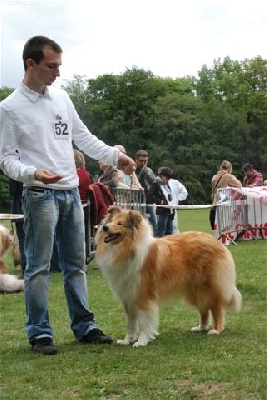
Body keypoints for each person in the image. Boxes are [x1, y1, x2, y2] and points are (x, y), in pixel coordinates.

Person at [0, 35, 135, 356]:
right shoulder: (9, 108)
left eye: (59, 65)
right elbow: (6, 159)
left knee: (76, 265)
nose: (57, 72)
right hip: (39, 195)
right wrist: (34, 173)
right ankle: (40, 333)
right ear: (31, 63)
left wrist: (117, 157)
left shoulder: (62, 99)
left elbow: (85, 139)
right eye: (51, 66)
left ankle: (84, 326)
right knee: (38, 267)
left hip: (72, 195)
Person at [148, 166, 188, 237]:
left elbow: (184, 192)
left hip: (171, 210)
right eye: (167, 178)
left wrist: (176, 200)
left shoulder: (173, 183)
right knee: (160, 231)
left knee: (169, 231)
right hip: (162, 210)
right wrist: (161, 202)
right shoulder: (155, 184)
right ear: (162, 176)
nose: (169, 180)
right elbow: (150, 196)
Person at [210, 160, 242, 230]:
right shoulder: (228, 176)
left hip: (215, 204)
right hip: (224, 204)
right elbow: (239, 185)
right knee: (224, 225)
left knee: (216, 227)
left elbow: (212, 192)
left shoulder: (214, 177)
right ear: (229, 168)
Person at [74, 149, 91, 264]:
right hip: (85, 205)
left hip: (75, 204)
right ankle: (84, 257)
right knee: (84, 234)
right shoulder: (86, 174)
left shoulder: (73, 173)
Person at [135, 149, 157, 235]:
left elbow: (154, 182)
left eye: (145, 161)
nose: (143, 163)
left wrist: (145, 172)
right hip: (136, 200)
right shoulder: (132, 169)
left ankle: (155, 237)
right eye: (141, 161)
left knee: (152, 222)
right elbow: (136, 181)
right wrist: (141, 172)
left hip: (148, 200)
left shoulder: (148, 170)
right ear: (136, 160)